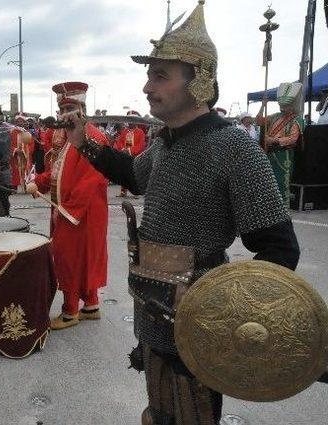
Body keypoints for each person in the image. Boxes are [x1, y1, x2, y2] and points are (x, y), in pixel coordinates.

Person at [63, 2, 300, 423]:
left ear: (199, 82)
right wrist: (83, 143)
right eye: (148, 75)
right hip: (152, 306)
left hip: (200, 318)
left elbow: (279, 251)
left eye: (160, 76)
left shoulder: (234, 149)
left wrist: (227, 318)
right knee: (159, 412)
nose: (147, 88)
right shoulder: (165, 144)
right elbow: (134, 176)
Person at [25, 81, 109, 330]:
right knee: (82, 257)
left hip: (81, 211)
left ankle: (70, 311)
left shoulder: (93, 137)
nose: (63, 115)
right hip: (70, 208)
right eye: (61, 109)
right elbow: (57, 171)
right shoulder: (71, 137)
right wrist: (38, 183)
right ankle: (91, 304)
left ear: (82, 108)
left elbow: (92, 178)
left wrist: (68, 210)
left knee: (70, 258)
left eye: (69, 108)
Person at [256, 82, 304, 207]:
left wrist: (274, 140)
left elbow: (293, 139)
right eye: (281, 105)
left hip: (284, 155)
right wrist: (263, 105)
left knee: (282, 182)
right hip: (269, 154)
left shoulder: (297, 119)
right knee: (268, 181)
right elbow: (259, 121)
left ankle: (283, 208)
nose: (282, 109)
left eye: (285, 106)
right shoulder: (275, 116)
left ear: (292, 105)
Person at [115, 111, 147, 197]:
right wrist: (122, 149)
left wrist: (129, 151)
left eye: (132, 120)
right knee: (124, 173)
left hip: (135, 157)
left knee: (135, 174)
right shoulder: (124, 131)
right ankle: (123, 191)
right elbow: (119, 142)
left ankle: (136, 192)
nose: (130, 122)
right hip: (125, 156)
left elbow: (141, 145)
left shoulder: (140, 132)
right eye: (129, 120)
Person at [9, 112, 33, 191]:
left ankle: (26, 186)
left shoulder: (27, 132)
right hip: (15, 156)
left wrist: (24, 151)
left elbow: (31, 144)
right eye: (18, 121)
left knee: (26, 170)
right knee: (14, 171)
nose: (20, 123)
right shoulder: (11, 132)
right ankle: (14, 187)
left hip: (25, 156)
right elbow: (8, 144)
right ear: (16, 122)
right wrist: (15, 150)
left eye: (21, 121)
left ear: (24, 122)